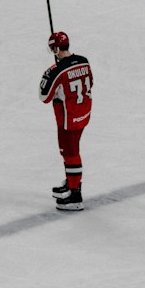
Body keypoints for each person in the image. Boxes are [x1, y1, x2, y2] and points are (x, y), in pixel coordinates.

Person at [39, 31, 93, 213]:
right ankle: (71, 182)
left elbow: (44, 96)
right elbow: (90, 83)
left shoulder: (57, 70)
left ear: (55, 48)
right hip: (83, 114)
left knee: (69, 153)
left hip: (68, 119)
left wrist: (52, 75)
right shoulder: (84, 60)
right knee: (72, 149)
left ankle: (75, 195)